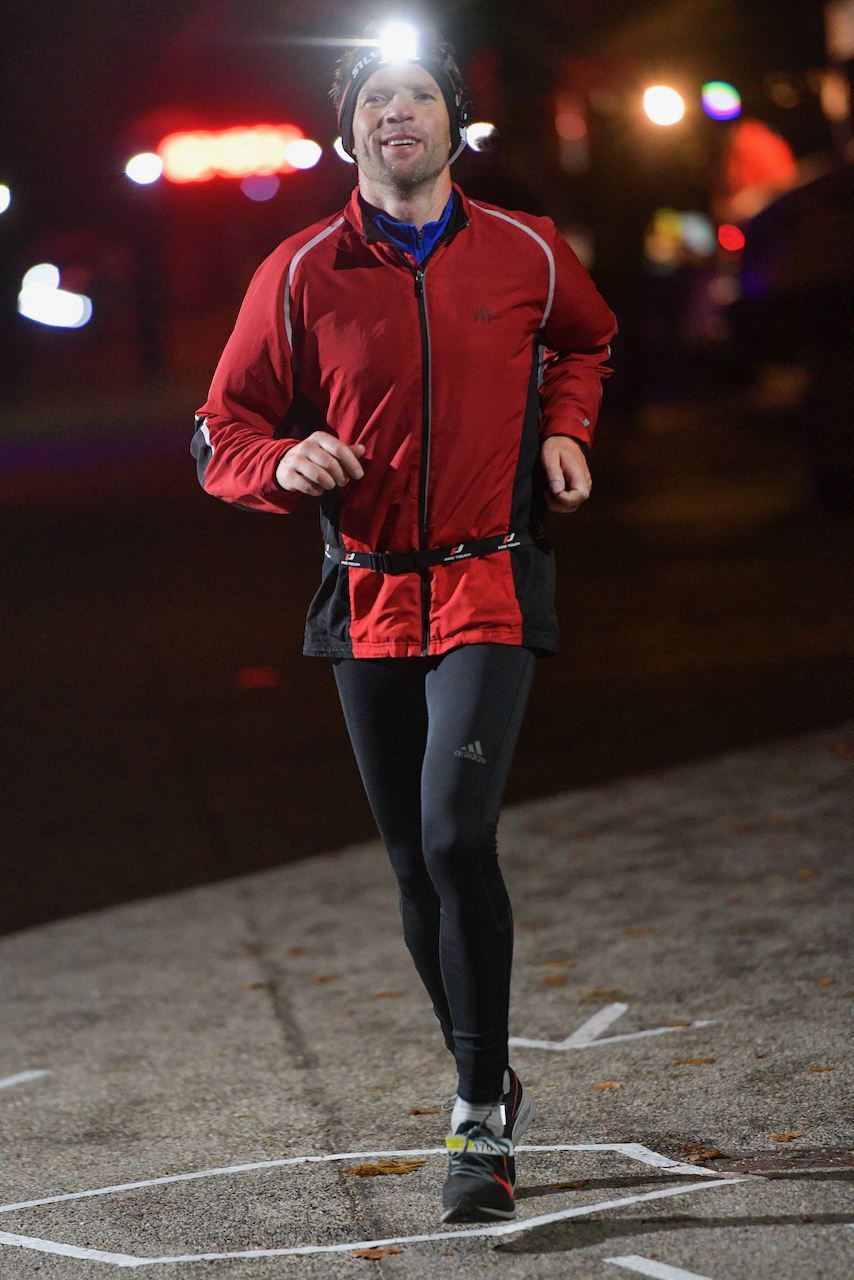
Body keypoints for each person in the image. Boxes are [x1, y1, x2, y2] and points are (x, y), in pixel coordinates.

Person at [191, 23, 616, 1224]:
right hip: (367, 590)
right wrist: (284, 459)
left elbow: (585, 337)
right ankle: (490, 1070)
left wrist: (563, 427)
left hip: (489, 579)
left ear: (452, 122)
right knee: (406, 865)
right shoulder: (296, 271)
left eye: (418, 96)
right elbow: (221, 429)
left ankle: (476, 1114)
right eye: (374, 98)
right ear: (348, 129)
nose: (397, 113)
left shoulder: (528, 253)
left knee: (451, 832)